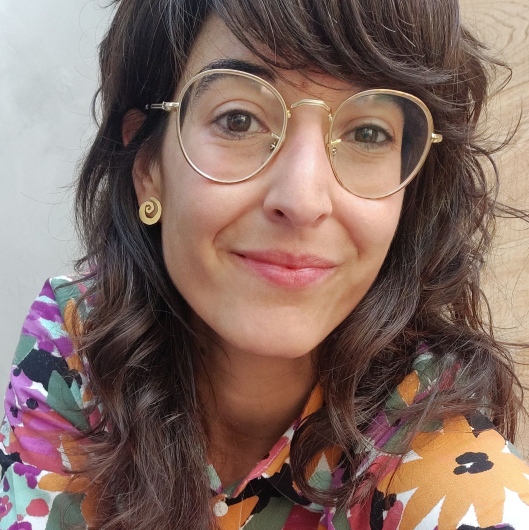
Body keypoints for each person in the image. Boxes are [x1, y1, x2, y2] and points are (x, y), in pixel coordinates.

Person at [1, 0, 528, 528]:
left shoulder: (451, 475)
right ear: (148, 168)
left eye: (368, 133)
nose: (302, 200)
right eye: (239, 120)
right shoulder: (79, 335)